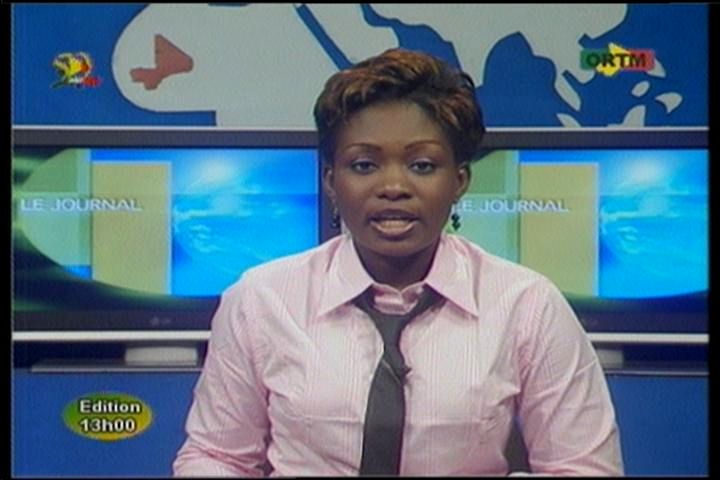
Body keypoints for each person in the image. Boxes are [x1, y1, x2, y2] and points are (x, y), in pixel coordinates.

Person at [173, 48, 623, 477]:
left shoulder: (527, 305)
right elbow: (216, 455)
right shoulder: (261, 299)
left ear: (459, 181)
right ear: (331, 181)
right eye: (364, 165)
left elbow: (583, 467)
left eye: (422, 166)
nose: (393, 187)